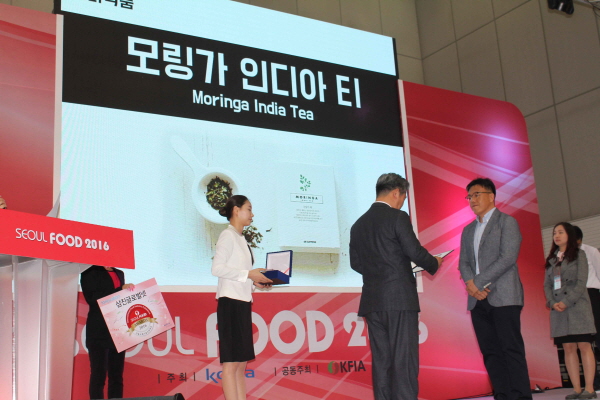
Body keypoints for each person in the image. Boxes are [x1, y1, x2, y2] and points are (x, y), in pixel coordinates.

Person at [350, 173, 442, 400]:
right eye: (403, 197)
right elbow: (414, 251)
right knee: (404, 361)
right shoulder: (398, 217)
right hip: (399, 299)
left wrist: (381, 272)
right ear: (395, 193)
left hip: (373, 302)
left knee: (382, 362)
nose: (402, 202)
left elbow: (355, 263)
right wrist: (434, 262)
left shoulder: (358, 224)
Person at [458, 177, 531, 400]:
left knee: (511, 350)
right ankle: (502, 395)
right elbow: (464, 263)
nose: (472, 200)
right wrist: (471, 286)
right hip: (477, 299)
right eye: (469, 196)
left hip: (504, 297)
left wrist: (477, 282)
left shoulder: (507, 222)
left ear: (491, 196)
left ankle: (520, 396)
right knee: (490, 352)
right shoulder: (468, 230)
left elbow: (507, 257)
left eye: (476, 194)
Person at [212, 195, 272, 400]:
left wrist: (255, 282)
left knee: (241, 363)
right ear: (236, 210)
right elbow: (217, 268)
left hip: (242, 302)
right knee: (231, 363)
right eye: (249, 209)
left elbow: (241, 273)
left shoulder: (241, 239)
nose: (252, 214)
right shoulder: (227, 235)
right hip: (230, 303)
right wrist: (249, 274)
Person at [545, 223, 597, 399]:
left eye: (561, 232)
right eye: (554, 233)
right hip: (558, 310)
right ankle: (576, 389)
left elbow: (581, 283)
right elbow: (547, 285)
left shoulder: (579, 255)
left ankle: (589, 388)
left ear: (570, 235)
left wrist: (566, 302)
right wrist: (552, 303)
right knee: (568, 347)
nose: (556, 236)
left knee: (584, 345)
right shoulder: (552, 259)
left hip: (577, 306)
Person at [80, 265, 135, 399]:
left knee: (116, 376)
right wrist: (119, 290)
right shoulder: (89, 272)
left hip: (118, 328)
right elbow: (92, 298)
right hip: (99, 329)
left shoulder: (119, 273)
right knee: (98, 375)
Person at [573, 225, 600, 389]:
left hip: (592, 295)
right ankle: (593, 381)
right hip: (574, 298)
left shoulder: (591, 251)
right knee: (583, 341)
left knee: (598, 336)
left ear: (578, 239)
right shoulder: (561, 256)